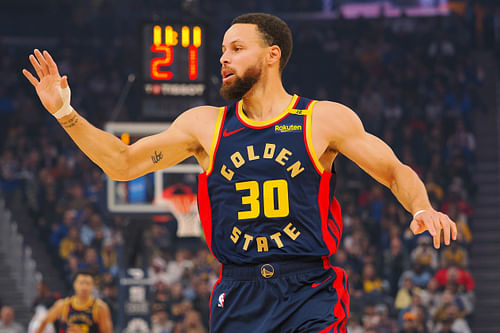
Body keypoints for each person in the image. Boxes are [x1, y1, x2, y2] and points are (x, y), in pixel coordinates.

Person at [23, 12, 457, 333]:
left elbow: (394, 170)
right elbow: (122, 163)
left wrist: (423, 207)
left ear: (272, 55)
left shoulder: (321, 119)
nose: (223, 58)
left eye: (236, 48)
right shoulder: (205, 125)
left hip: (309, 288)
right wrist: (65, 112)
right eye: (223, 50)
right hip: (239, 291)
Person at [35, 270, 112, 333]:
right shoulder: (64, 305)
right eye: (81, 283)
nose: (84, 287)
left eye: (88, 283)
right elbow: (44, 322)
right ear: (74, 284)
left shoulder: (100, 308)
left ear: (92, 286)